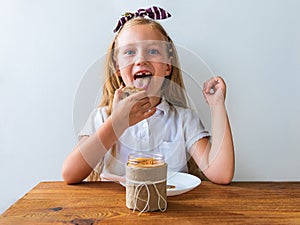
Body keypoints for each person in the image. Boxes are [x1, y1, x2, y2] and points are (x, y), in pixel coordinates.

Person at [62, 6, 234, 185]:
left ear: (168, 65)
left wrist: (217, 106)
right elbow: (70, 174)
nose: (141, 59)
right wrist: (117, 123)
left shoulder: (183, 120)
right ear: (118, 68)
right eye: (129, 52)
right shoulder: (102, 117)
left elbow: (221, 173)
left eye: (153, 51)